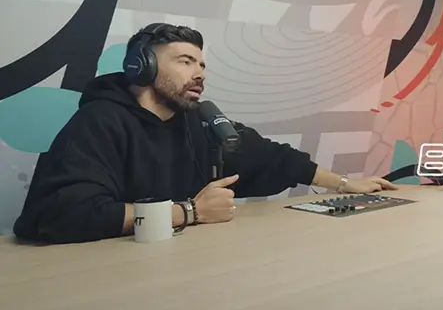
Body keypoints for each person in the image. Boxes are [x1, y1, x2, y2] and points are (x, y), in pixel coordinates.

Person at [13, 23, 397, 244]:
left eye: (201, 65)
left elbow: (273, 159)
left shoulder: (198, 122)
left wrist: (346, 183)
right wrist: (189, 212)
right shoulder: (100, 121)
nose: (199, 74)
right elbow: (58, 214)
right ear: (140, 68)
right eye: (185, 62)